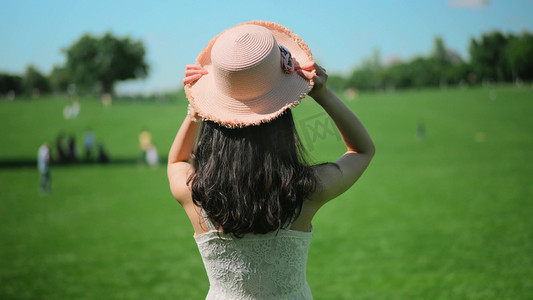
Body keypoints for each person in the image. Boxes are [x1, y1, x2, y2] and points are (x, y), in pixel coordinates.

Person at [167, 21, 375, 299]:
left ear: (214, 123)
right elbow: (362, 150)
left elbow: (177, 160)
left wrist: (195, 109)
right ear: (283, 119)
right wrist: (323, 94)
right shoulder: (307, 189)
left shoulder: (195, 193)